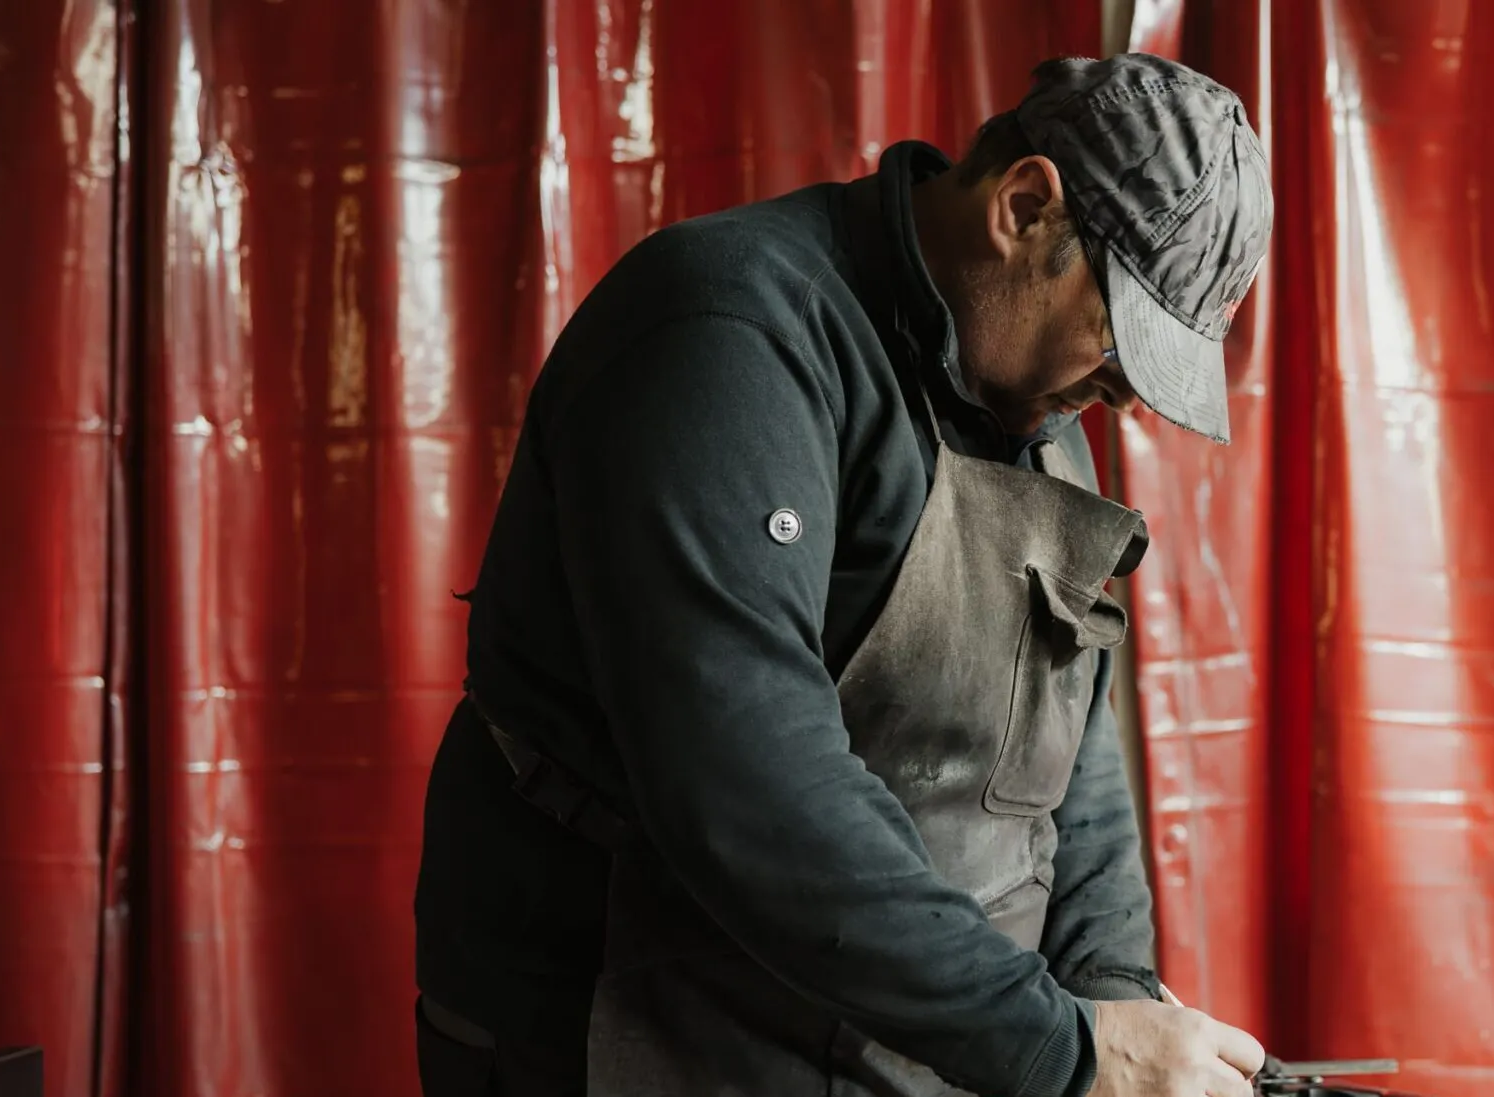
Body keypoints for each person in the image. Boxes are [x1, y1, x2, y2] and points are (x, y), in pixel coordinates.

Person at [410, 52, 1275, 1097]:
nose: (1123, 399)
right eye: (1119, 342)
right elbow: (747, 778)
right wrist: (1063, 1049)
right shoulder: (727, 337)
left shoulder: (1032, 396)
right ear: (1024, 207)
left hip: (893, 1032)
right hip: (633, 1024)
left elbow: (1070, 747)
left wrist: (1110, 989)